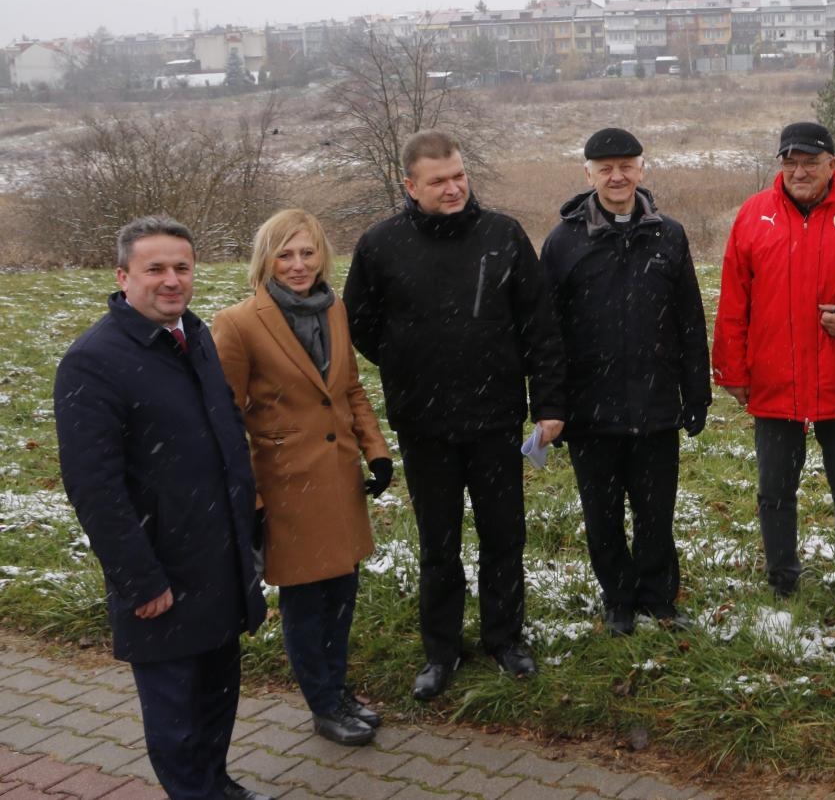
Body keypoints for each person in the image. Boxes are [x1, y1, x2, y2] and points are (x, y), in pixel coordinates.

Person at [343, 130, 565, 701]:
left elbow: (539, 325)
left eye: (459, 175)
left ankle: (504, 637)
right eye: (438, 180)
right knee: (438, 544)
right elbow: (360, 324)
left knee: (503, 535)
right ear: (410, 185)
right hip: (424, 423)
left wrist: (549, 404)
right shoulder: (380, 245)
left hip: (495, 416)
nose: (453, 188)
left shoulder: (503, 235)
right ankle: (441, 651)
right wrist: (410, 360)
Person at [55, 216, 270, 800]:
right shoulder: (93, 361)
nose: (172, 280)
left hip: (218, 559)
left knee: (217, 695)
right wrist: (139, 580)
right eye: (155, 269)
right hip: (162, 571)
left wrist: (248, 533)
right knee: (177, 714)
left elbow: (225, 434)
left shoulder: (194, 337)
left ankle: (216, 785)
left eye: (182, 267)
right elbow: (94, 487)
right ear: (123, 277)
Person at [211, 209, 391, 746]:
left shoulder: (334, 307)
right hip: (286, 485)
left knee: (343, 591)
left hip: (339, 479)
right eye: (285, 254)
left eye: (307, 253)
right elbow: (224, 419)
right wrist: (252, 497)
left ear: (321, 256)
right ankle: (323, 704)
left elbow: (349, 388)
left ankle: (338, 690)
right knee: (307, 602)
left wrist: (376, 451)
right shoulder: (239, 323)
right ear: (265, 259)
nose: (297, 265)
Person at [542, 128, 711, 635]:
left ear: (641, 168)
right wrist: (551, 403)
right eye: (605, 168)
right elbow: (546, 331)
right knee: (603, 513)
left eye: (626, 166)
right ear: (588, 174)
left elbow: (689, 320)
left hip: (656, 404)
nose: (617, 177)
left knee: (656, 511)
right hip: (590, 409)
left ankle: (658, 597)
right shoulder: (563, 241)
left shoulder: (669, 235)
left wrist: (696, 393)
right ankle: (617, 598)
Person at [712, 121, 835, 610]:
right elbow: (734, 298)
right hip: (774, 378)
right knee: (774, 490)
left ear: (833, 164)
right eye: (791, 162)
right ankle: (782, 579)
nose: (800, 171)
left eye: (811, 162)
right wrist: (730, 370)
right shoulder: (754, 214)